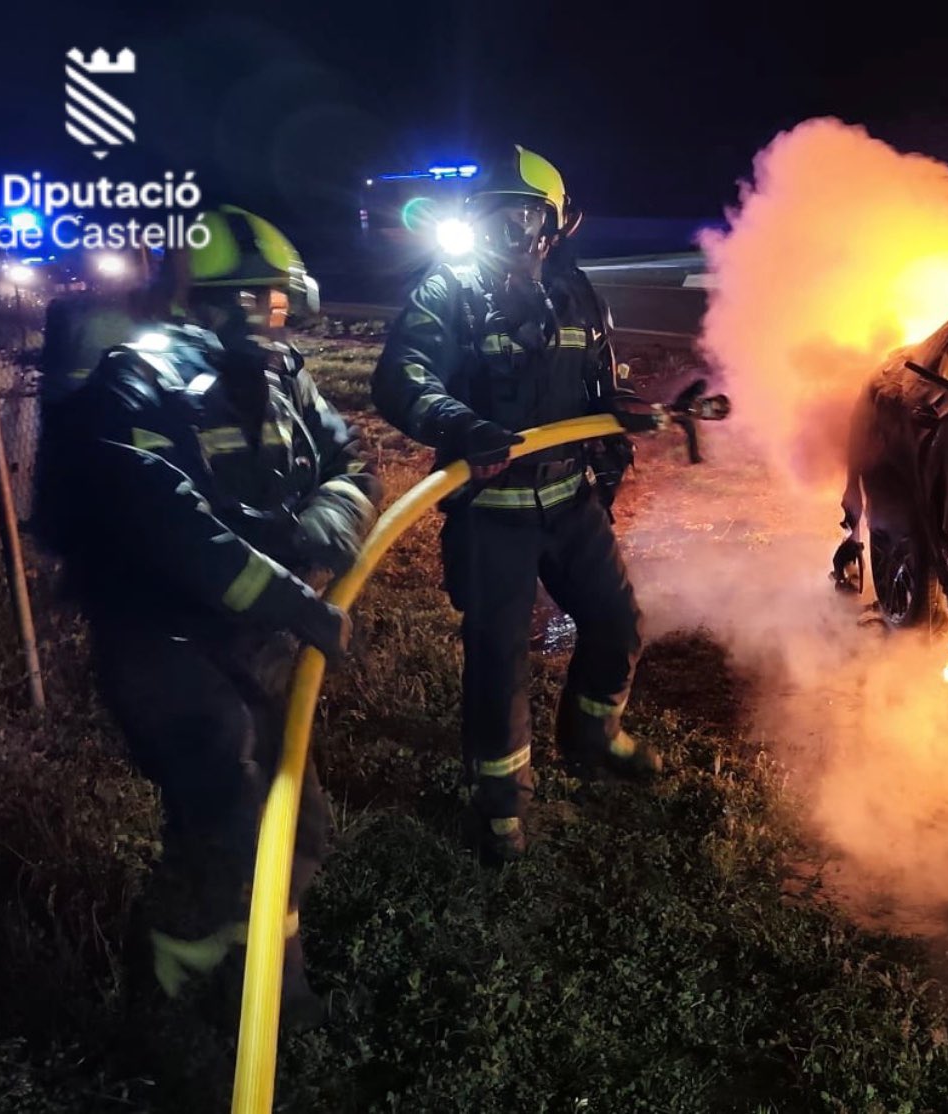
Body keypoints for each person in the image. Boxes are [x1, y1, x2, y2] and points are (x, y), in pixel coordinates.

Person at [34, 206, 375, 1023]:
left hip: (258, 637)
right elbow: (168, 524)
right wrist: (295, 596)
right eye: (257, 301)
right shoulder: (134, 380)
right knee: (237, 823)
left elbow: (352, 460)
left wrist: (311, 529)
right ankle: (196, 975)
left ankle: (246, 971)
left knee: (299, 826)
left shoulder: (284, 375)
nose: (273, 319)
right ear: (203, 302)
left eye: (279, 303)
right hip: (163, 647)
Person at [371, 144, 655, 866]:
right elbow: (401, 379)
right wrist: (461, 425)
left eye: (523, 213)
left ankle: (594, 739)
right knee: (499, 665)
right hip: (490, 510)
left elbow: (598, 381)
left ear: (555, 223)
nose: (509, 228)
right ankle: (501, 806)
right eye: (495, 213)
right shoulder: (448, 290)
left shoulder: (579, 292)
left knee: (617, 626)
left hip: (569, 501)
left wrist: (617, 415)